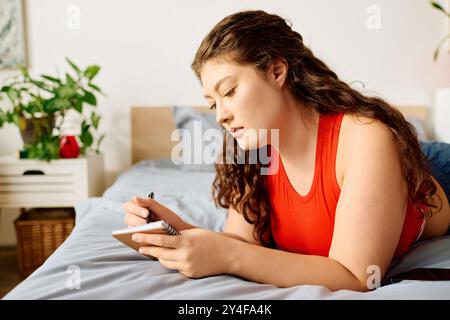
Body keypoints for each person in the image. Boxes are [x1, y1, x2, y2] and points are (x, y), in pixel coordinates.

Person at [123, 10, 450, 292]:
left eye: (230, 91)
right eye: (213, 103)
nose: (220, 115)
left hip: (437, 170)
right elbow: (241, 245)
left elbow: (357, 277)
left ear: (277, 71)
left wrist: (228, 255)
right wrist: (177, 232)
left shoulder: (367, 139)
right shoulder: (251, 154)